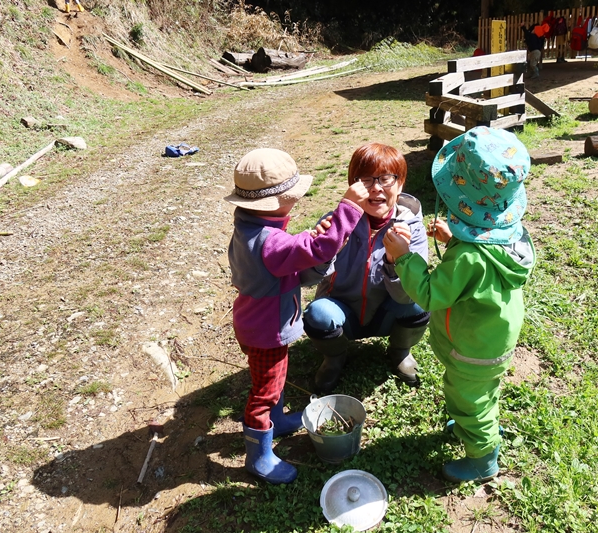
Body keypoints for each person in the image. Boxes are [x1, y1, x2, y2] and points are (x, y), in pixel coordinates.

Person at [382, 126, 536, 483]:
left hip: (473, 347)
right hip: (491, 338)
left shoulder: (468, 257)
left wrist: (403, 257)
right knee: (478, 391)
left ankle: (483, 458)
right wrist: (454, 238)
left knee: (471, 403)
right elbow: (481, 268)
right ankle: (474, 425)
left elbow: (430, 293)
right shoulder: (509, 237)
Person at [225, 148, 367, 484]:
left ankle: (276, 420)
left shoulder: (247, 229)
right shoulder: (271, 243)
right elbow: (308, 250)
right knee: (263, 394)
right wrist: (347, 210)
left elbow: (288, 259)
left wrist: (311, 240)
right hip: (267, 333)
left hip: (253, 322)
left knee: (273, 380)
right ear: (276, 203)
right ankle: (258, 456)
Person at [302, 143, 430, 395]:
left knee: (421, 301)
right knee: (317, 314)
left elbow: (409, 295)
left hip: (387, 314)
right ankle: (335, 357)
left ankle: (400, 351)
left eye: (386, 178)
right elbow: (305, 279)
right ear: (352, 185)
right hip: (343, 315)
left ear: (400, 184)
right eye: (365, 179)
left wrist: (396, 261)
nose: (376, 188)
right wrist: (325, 252)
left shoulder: (411, 228)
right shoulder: (334, 224)